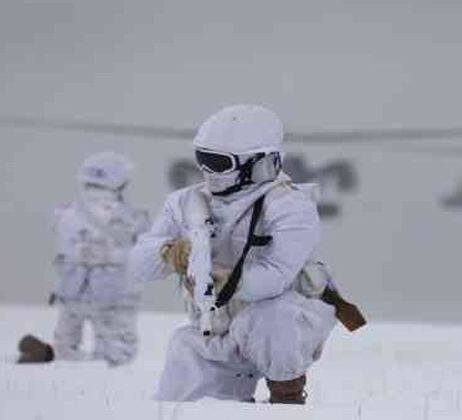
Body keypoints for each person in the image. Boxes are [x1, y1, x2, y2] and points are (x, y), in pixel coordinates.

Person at [129, 104, 364, 404]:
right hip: (216, 325)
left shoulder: (289, 206)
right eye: (203, 159)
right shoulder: (187, 202)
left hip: (286, 322)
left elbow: (275, 278)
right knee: (181, 393)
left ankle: (287, 396)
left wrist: (220, 277)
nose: (208, 171)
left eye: (219, 163)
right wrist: (170, 254)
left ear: (259, 163)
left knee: (271, 318)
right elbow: (138, 264)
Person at [17, 151, 150, 367]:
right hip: (113, 291)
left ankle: (51, 358)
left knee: (66, 344)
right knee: (116, 353)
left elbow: (64, 251)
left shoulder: (68, 213)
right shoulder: (129, 217)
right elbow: (142, 252)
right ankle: (64, 362)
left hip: (73, 288)